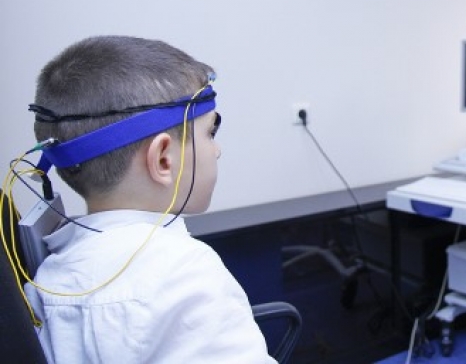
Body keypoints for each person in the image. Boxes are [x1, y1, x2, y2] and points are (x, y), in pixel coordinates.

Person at [23, 36, 276, 363]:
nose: (217, 150)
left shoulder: (50, 273)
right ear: (163, 159)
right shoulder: (186, 275)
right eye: (210, 133)